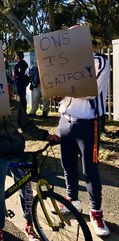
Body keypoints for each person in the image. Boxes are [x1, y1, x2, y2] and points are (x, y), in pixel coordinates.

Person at [0, 94, 60, 241]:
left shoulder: (15, 104)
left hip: (18, 153)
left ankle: (29, 223)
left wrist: (46, 136)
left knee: (26, 189)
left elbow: (27, 125)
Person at [53, 35, 110, 237]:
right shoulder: (63, 62)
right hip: (64, 121)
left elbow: (89, 91)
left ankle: (96, 212)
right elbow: (58, 88)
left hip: (87, 123)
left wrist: (62, 86)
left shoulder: (99, 61)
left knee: (90, 170)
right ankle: (72, 201)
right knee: (68, 166)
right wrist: (56, 92)